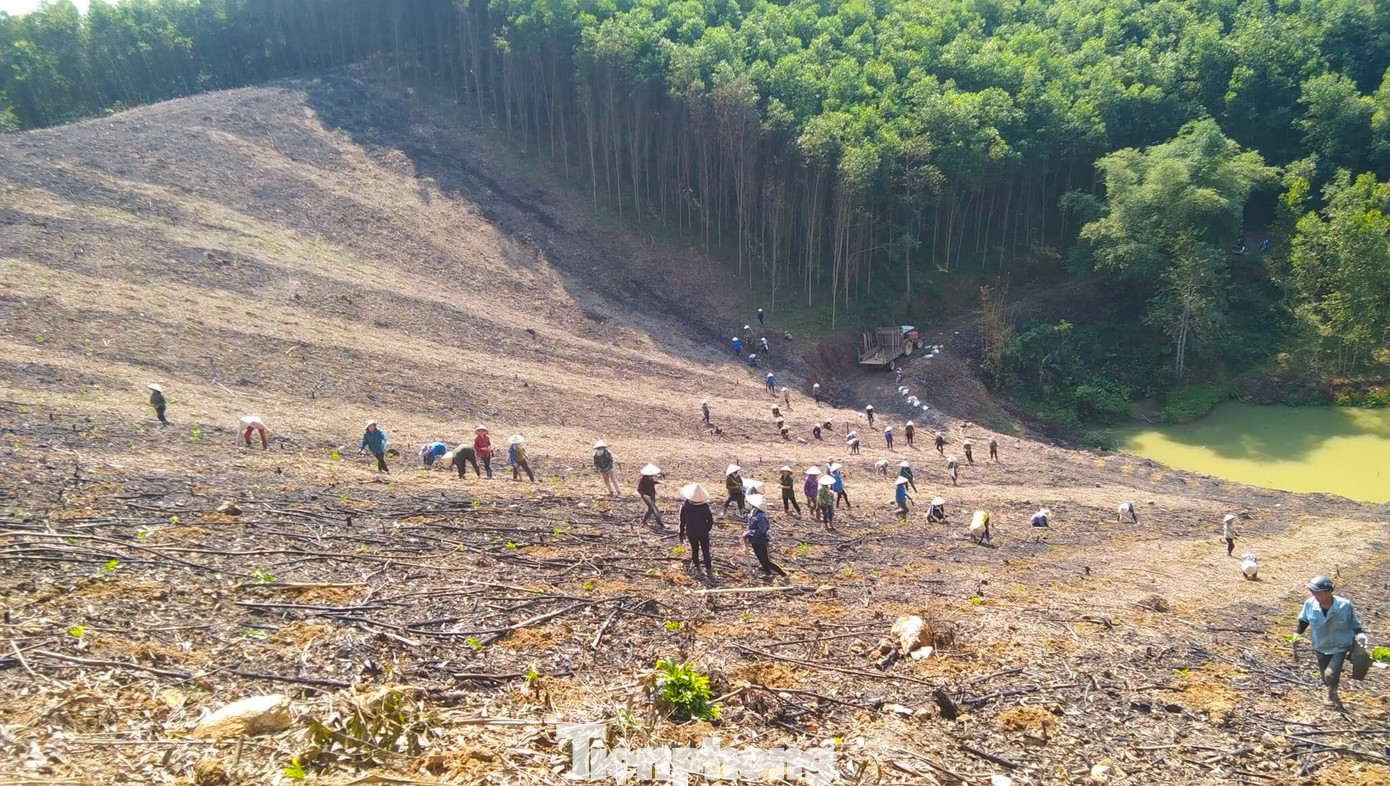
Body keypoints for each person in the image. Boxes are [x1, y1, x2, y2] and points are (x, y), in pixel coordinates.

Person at [1294, 576, 1367, 710]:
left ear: (1328, 591)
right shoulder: (1310, 604)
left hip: (1340, 644)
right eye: (1313, 592)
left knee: (1331, 674)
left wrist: (1360, 634)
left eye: (1318, 592)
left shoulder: (1344, 605)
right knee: (1324, 675)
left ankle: (1331, 695)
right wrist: (1297, 634)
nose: (1314, 595)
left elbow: (1354, 622)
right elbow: (1304, 620)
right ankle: (1332, 691)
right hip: (1320, 644)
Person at [743, 495, 787, 577]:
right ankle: (767, 573)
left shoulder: (761, 516)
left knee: (766, 560)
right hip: (754, 539)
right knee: (760, 558)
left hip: (761, 540)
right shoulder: (753, 512)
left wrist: (749, 533)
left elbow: (761, 531)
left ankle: (783, 574)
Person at [679, 484, 715, 574]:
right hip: (703, 532)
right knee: (706, 551)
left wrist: (681, 532)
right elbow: (710, 521)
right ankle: (709, 569)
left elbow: (682, 521)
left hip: (691, 532)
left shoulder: (685, 506)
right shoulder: (705, 507)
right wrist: (707, 529)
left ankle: (698, 567)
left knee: (695, 550)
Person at [638, 463, 663, 528]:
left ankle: (659, 523)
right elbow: (639, 489)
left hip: (652, 495)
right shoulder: (643, 480)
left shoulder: (651, 478)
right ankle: (645, 520)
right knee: (652, 509)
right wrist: (644, 495)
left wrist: (658, 482)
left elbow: (652, 483)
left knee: (654, 509)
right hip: (647, 497)